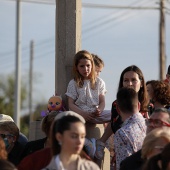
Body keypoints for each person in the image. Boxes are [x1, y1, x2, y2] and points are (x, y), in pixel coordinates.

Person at [94, 65, 149, 160]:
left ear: (141, 83)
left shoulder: (150, 105)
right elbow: (113, 125)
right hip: (124, 152)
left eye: (133, 80)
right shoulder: (116, 104)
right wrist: (102, 141)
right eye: (126, 80)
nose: (130, 83)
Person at [65, 50, 110, 124]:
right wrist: (82, 113)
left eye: (88, 65)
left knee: (117, 114)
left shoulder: (99, 82)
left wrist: (99, 110)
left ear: (92, 65)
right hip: (79, 114)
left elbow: (102, 101)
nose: (85, 69)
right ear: (76, 67)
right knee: (65, 118)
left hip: (95, 114)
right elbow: (71, 104)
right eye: (82, 66)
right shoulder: (73, 83)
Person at [113, 87, 147, 170]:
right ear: (139, 105)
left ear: (117, 109)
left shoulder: (122, 134)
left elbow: (124, 165)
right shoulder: (151, 125)